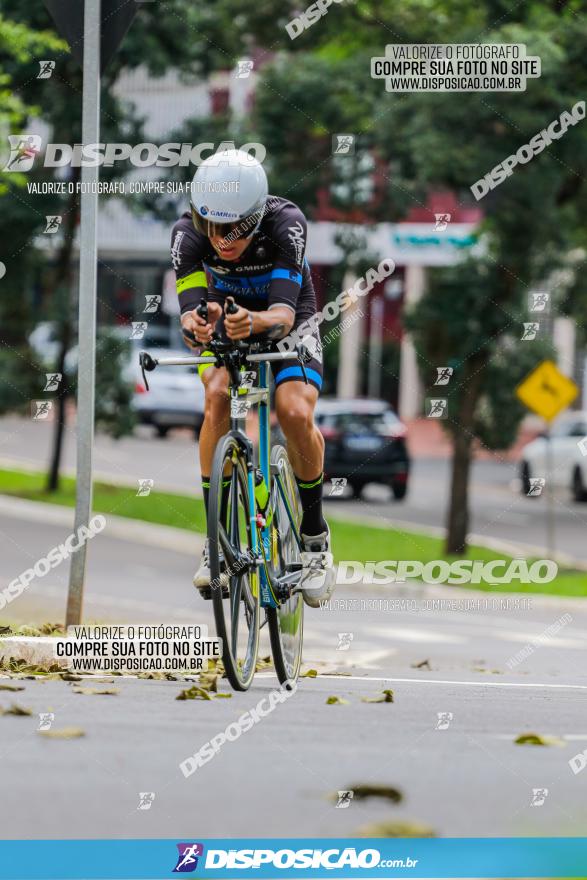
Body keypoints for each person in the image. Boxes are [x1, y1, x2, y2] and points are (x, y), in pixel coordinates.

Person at [170, 148, 334, 607]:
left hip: (287, 316)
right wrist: (196, 325)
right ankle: (215, 539)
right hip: (228, 318)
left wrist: (254, 323)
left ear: (256, 217)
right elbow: (190, 315)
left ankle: (315, 537)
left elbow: (282, 315)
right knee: (217, 393)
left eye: (233, 228)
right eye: (211, 226)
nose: (221, 239)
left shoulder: (288, 225)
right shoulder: (188, 234)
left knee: (293, 410)